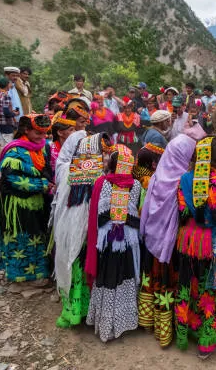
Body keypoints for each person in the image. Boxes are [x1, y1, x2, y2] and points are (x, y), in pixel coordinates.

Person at [138, 133, 200, 347]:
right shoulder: (184, 181)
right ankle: (171, 328)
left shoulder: (156, 176)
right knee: (172, 283)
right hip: (173, 246)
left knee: (155, 281)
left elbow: (145, 211)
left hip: (153, 242)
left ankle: (151, 322)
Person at [174, 135, 216, 358]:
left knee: (189, 284)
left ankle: (186, 329)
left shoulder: (185, 179)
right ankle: (206, 342)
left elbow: (183, 213)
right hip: (211, 241)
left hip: (188, 239)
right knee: (211, 289)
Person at [52, 131, 113, 328]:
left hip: (74, 233)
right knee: (80, 267)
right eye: (101, 153)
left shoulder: (69, 170)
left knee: (77, 267)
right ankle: (83, 311)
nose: (104, 158)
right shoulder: (94, 177)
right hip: (84, 234)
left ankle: (78, 311)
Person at [85, 145, 141, 342]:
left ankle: (106, 324)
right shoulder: (136, 185)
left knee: (108, 277)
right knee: (125, 276)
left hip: (109, 239)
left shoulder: (104, 183)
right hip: (128, 239)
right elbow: (135, 215)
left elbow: (99, 216)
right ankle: (125, 322)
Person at [0, 114, 52, 283]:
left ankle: (37, 273)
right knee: (21, 237)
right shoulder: (15, 151)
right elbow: (12, 179)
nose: (43, 137)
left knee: (37, 237)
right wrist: (42, 185)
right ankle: (19, 275)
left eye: (45, 133)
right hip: (17, 204)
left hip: (37, 202)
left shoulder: (42, 147)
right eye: (38, 133)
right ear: (26, 130)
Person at [0, 76, 19, 146]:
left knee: (3, 141)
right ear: (6, 85)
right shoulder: (6, 96)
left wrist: (11, 112)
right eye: (9, 83)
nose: (10, 85)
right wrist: (15, 113)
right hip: (6, 123)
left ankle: (2, 155)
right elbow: (6, 113)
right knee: (8, 142)